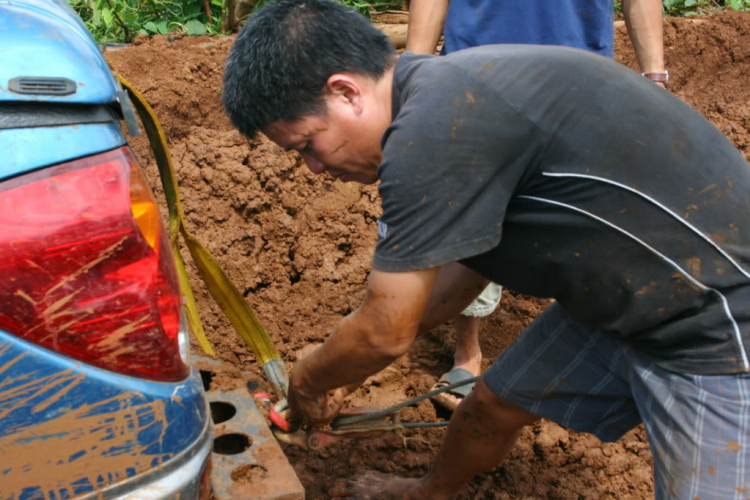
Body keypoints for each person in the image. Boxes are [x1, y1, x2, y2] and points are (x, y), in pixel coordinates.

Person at [221, 1, 750, 498]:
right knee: (493, 404)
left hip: (713, 318)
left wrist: (308, 380)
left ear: (346, 92)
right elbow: (464, 276)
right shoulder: (441, 97)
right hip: (627, 294)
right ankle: (429, 493)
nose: (314, 168)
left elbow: (385, 330)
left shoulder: (430, 131)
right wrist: (349, 371)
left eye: (307, 145)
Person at [406, 0, 667, 411]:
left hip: (581, 77)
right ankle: (468, 353)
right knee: (475, 219)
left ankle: (580, 357)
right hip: (478, 70)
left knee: (582, 219)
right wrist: (415, 68)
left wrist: (654, 77)